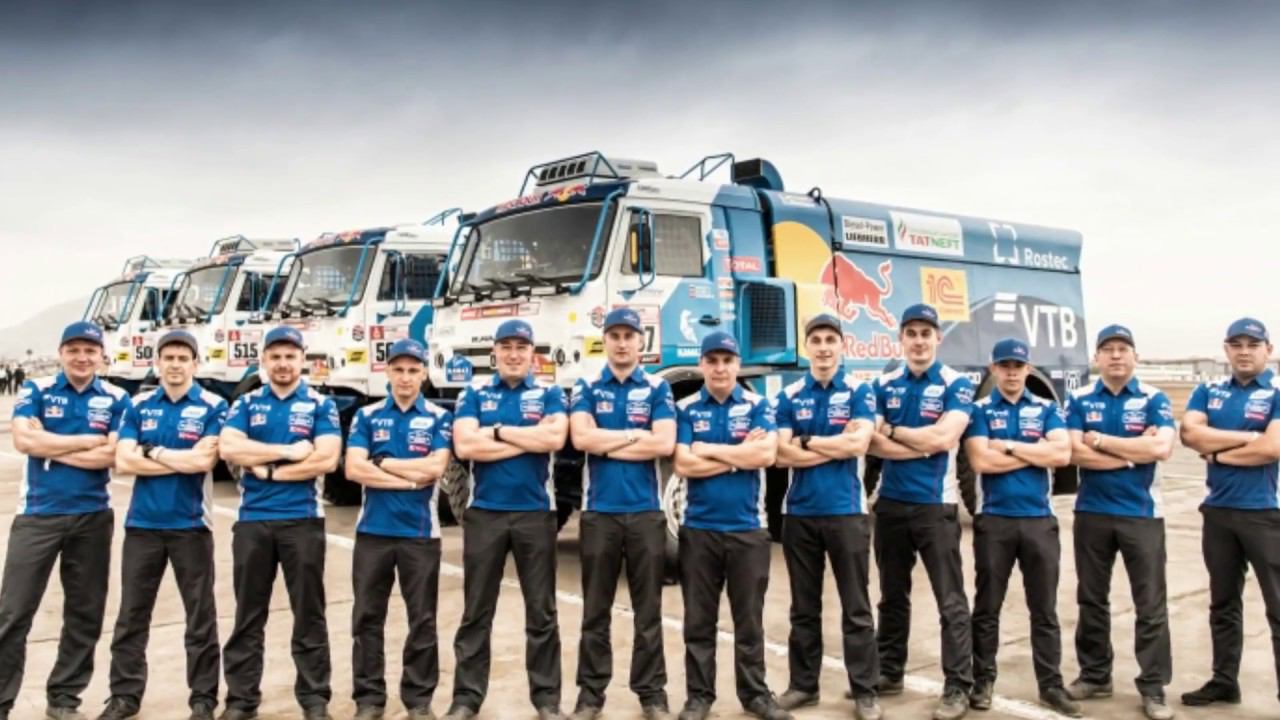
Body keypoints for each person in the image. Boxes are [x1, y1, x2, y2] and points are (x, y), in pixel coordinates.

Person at [0, 321, 130, 720]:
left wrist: (51, 445)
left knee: (84, 613)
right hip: (37, 515)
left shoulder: (117, 397)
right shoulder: (36, 389)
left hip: (92, 517)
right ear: (61, 353)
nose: (82, 357)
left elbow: (114, 455)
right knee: (13, 613)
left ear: (101, 356)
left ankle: (64, 699)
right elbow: (24, 440)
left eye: (90, 350)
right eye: (74, 349)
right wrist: (88, 440)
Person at [444, 320, 569, 720]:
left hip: (536, 513)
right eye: (506, 346)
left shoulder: (549, 393)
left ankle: (547, 700)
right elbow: (465, 445)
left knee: (542, 613)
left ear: (533, 353)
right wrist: (524, 438)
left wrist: (494, 432)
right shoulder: (473, 393)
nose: (514, 354)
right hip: (485, 514)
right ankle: (466, 699)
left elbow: (553, 440)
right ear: (494, 352)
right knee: (476, 612)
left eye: (521, 346)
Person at [100, 330, 227, 720]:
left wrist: (152, 451)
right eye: (168, 358)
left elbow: (203, 462)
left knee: (200, 618)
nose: (175, 365)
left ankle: (203, 699)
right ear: (157, 363)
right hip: (142, 526)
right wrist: (177, 458)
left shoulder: (214, 405)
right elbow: (124, 461)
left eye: (183, 358)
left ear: (195, 364)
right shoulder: (139, 405)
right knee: (132, 616)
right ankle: (124, 696)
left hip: (192, 526)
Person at [218, 326, 342, 720]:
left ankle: (315, 700)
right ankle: (241, 702)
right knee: (247, 616)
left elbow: (326, 458)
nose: (283, 364)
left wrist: (268, 469)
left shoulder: (320, 404)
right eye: (275, 356)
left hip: (302, 521)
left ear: (302, 360)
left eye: (290, 356)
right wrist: (288, 452)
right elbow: (229, 447)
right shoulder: (246, 402)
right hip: (253, 521)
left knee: (309, 615)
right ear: (264, 361)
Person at [961, 338, 1081, 717]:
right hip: (994, 520)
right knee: (987, 608)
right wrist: (1034, 452)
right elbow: (981, 461)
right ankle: (983, 680)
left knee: (1044, 610)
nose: (1011, 372)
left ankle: (1051, 685)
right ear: (993, 369)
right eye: (1005, 365)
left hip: (1039, 521)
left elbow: (1061, 454)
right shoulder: (979, 410)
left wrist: (1009, 447)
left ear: (1028, 369)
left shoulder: (1047, 408)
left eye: (1018, 366)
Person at [867, 303, 975, 720]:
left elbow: (944, 439)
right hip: (891, 505)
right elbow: (872, 443)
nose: (918, 341)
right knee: (892, 597)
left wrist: (895, 432)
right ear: (901, 339)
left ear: (938, 339)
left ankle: (957, 686)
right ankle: (889, 671)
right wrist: (919, 443)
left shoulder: (956, 383)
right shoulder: (883, 384)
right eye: (911, 333)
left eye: (926, 333)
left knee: (951, 601)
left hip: (936, 506)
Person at [673, 331, 788, 720]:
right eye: (712, 360)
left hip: (748, 530)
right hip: (698, 529)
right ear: (701, 365)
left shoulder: (759, 404)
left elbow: (766, 455)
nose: (720, 368)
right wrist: (740, 454)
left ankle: (755, 695)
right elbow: (683, 463)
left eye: (727, 361)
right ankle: (699, 697)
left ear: (738, 365)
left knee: (749, 622)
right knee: (699, 622)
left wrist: (710, 450)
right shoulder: (686, 408)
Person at [567, 308, 676, 720]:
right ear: (606, 341)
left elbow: (663, 443)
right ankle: (590, 696)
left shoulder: (658, 388)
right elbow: (581, 438)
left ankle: (652, 694)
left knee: (648, 611)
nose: (622, 343)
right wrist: (635, 435)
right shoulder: (588, 385)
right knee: (595, 610)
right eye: (615, 335)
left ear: (640, 341)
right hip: (599, 513)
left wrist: (608, 442)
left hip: (646, 513)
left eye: (629, 335)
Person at [1063, 324, 1176, 720]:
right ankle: (1095, 676)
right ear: (1096, 358)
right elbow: (1072, 452)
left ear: (1135, 357)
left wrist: (1100, 440)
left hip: (1142, 514)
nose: (1115, 356)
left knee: (1150, 604)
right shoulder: (1078, 398)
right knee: (1092, 599)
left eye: (1122, 349)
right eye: (1108, 349)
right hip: (1092, 512)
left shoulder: (1153, 398)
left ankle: (1153, 686)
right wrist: (1133, 453)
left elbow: (1161, 447)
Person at [771, 314, 881, 720]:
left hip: (846, 512)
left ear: (841, 346)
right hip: (799, 513)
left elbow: (858, 445)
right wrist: (832, 444)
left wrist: (807, 441)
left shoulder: (859, 391)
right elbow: (780, 455)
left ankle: (865, 691)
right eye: (815, 340)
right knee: (803, 608)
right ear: (807, 347)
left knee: (856, 607)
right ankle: (804, 686)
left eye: (830, 340)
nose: (822, 347)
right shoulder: (789, 395)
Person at [345, 339, 453, 720]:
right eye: (398, 370)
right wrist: (408, 479)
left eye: (413, 370)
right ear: (387, 372)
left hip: (420, 535)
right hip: (372, 533)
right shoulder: (367, 415)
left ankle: (419, 700)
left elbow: (435, 468)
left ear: (424, 373)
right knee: (366, 618)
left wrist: (383, 463)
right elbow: (354, 468)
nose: (405, 377)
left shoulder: (439, 417)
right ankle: (369, 699)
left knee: (422, 619)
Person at [1179, 317, 1280, 707]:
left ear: (1268, 350)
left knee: (1277, 608)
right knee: (1223, 604)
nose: (1244, 352)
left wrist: (1218, 454)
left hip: (1267, 513)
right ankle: (1224, 681)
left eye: (1252, 345)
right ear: (1226, 350)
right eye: (1236, 345)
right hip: (1219, 512)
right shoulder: (1208, 390)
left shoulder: (1276, 391)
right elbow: (1190, 434)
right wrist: (1248, 437)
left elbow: (1271, 448)